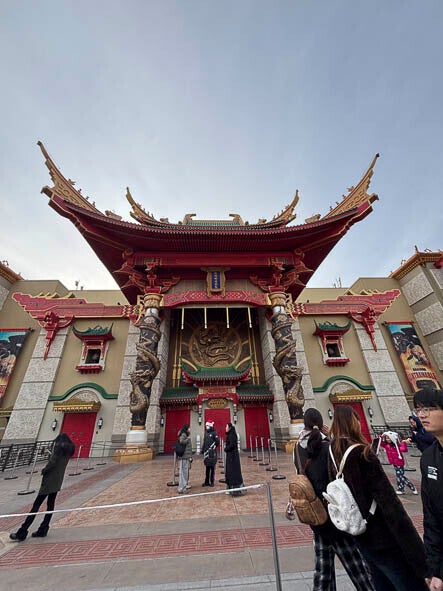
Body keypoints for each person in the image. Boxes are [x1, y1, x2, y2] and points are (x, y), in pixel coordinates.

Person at [328, 405, 428, 590]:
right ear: (353, 422)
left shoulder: (332, 453)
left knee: (380, 581)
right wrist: (415, 549)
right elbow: (389, 502)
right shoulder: (363, 453)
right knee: (407, 582)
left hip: (359, 530)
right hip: (382, 534)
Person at [294, 408, 375, 590]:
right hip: (337, 514)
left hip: (316, 514)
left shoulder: (297, 448)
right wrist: (330, 436)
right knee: (357, 568)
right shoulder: (330, 446)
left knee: (323, 569)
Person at [10, 433, 75, 541]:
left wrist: (44, 470)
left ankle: (22, 531)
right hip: (57, 481)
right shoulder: (68, 451)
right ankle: (43, 528)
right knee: (50, 505)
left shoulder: (58, 450)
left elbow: (52, 463)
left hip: (49, 481)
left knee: (36, 506)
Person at [413, 388, 443, 591]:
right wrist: (434, 569)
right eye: (418, 410)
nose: (422, 415)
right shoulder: (429, 457)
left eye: (429, 409)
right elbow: (431, 516)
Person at [376, 431, 418, 495]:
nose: (388, 439)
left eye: (389, 438)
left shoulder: (397, 446)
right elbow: (380, 442)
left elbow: (404, 449)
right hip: (394, 463)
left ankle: (412, 487)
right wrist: (381, 436)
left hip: (399, 463)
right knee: (399, 476)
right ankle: (401, 489)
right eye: (386, 438)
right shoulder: (387, 445)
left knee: (400, 476)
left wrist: (403, 442)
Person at [224, 423, 244, 495]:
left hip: (232, 457)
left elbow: (232, 445)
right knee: (230, 472)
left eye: (226, 427)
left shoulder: (231, 435)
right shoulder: (230, 434)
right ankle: (230, 487)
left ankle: (234, 488)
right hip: (231, 456)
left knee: (232, 472)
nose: (225, 428)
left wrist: (226, 448)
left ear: (229, 428)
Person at [201, 421, 219, 487]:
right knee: (207, 468)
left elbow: (217, 441)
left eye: (207, 426)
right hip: (206, 452)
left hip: (212, 453)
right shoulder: (206, 432)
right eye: (206, 426)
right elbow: (204, 441)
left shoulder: (214, 432)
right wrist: (203, 449)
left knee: (212, 468)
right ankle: (206, 482)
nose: (206, 427)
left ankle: (212, 481)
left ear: (210, 426)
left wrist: (213, 447)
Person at [177, 424, 193, 494]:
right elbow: (181, 441)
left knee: (186, 472)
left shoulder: (186, 435)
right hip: (183, 457)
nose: (190, 429)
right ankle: (181, 488)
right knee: (183, 472)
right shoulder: (183, 435)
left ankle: (185, 485)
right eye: (189, 428)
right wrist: (188, 440)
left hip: (186, 457)